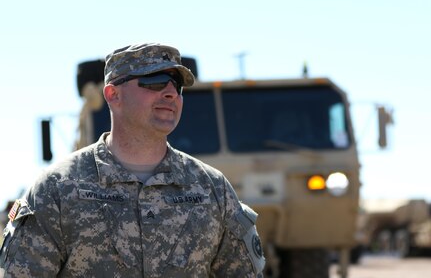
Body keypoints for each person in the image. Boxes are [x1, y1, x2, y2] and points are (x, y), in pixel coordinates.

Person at [0, 43, 265, 277]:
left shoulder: (212, 189)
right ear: (113, 95)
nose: (171, 93)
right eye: (156, 81)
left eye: (177, 85)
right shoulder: (56, 189)